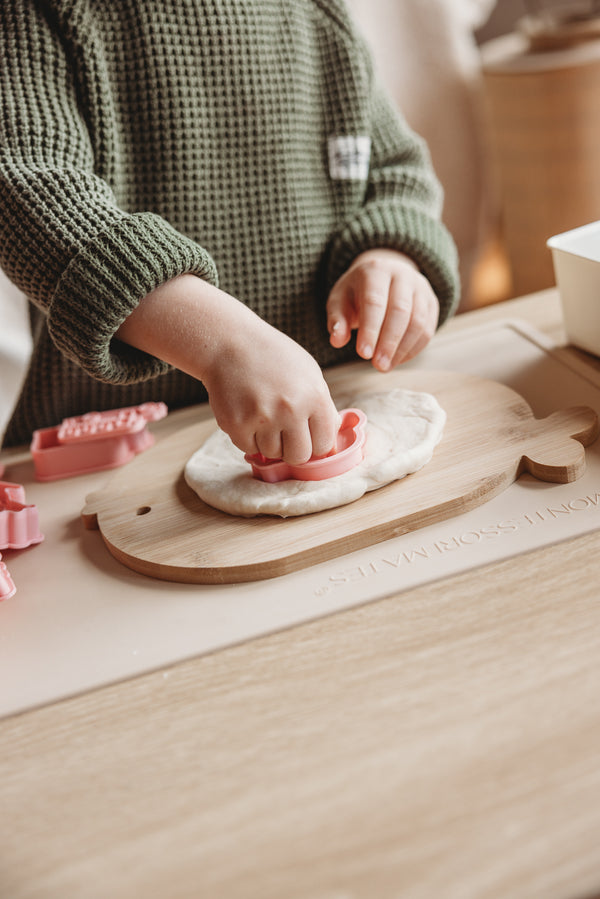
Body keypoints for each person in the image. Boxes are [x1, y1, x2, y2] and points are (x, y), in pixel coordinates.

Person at [0, 0, 459, 463]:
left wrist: (391, 255)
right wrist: (224, 345)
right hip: (118, 448)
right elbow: (27, 187)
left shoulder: (319, 11)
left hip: (339, 410)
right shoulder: (40, 12)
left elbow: (394, 170)